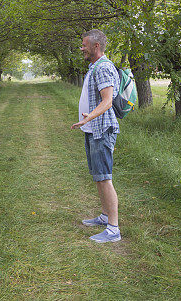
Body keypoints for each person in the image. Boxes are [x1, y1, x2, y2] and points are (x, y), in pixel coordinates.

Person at [71, 29, 121, 243]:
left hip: (101, 129)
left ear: (96, 46)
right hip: (93, 129)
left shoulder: (103, 68)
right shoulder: (95, 67)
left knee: (105, 178)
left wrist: (88, 117)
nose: (81, 48)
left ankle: (113, 229)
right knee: (98, 177)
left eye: (84, 45)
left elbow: (107, 100)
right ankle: (104, 216)